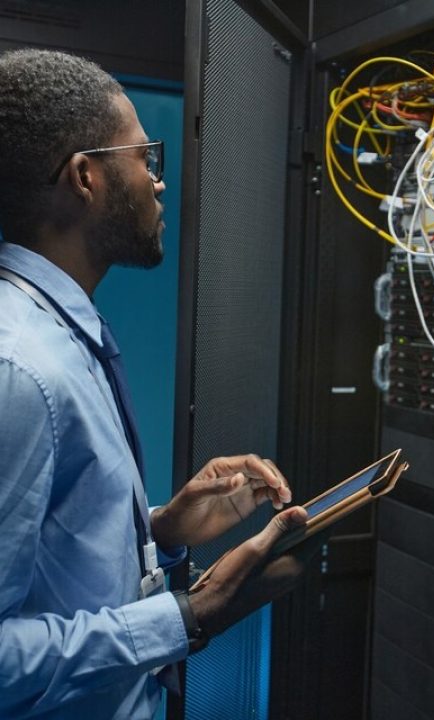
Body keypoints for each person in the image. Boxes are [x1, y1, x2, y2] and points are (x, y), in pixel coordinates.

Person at [0, 48, 309, 719]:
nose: (159, 182)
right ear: (87, 177)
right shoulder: (21, 368)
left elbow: (50, 569)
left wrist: (161, 529)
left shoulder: (58, 338)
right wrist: (188, 613)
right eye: (145, 159)